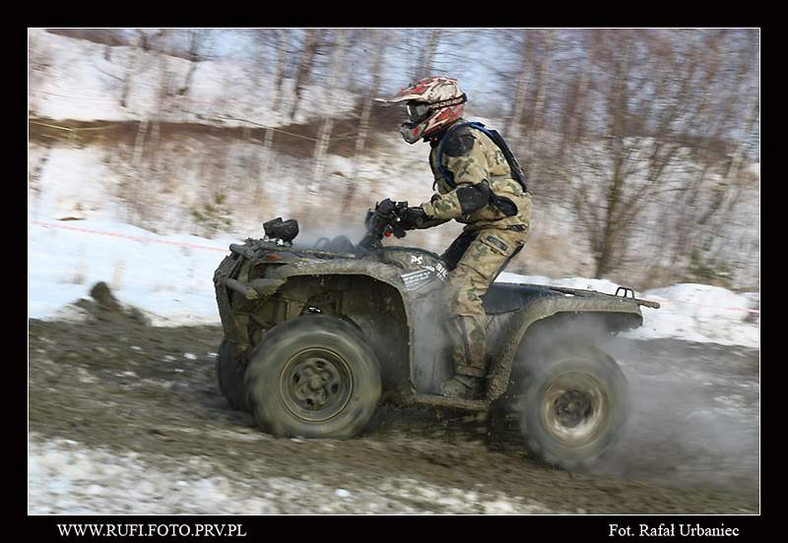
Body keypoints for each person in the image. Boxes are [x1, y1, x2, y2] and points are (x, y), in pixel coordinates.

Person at [378, 76, 532, 399]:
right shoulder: (445, 141)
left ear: (441, 109)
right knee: (433, 281)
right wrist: (412, 217)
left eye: (418, 109)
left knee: (460, 292)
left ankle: (470, 379)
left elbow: (474, 195)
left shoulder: (460, 139)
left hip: (504, 226)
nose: (413, 116)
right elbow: (459, 203)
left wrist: (420, 213)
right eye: (412, 109)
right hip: (482, 225)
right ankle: (437, 361)